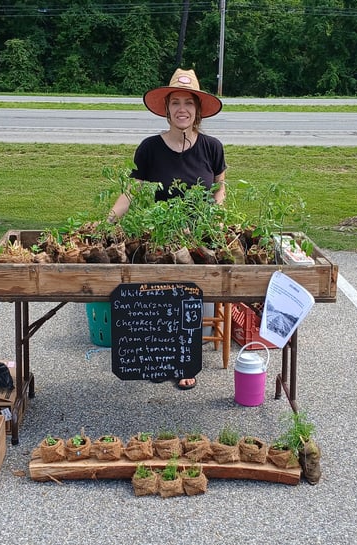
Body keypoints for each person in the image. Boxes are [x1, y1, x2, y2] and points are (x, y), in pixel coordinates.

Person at [109, 68, 228, 391]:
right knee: (159, 292)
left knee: (190, 295)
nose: (182, 110)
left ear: (198, 110)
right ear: (166, 109)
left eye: (188, 103)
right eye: (175, 102)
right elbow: (132, 191)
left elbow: (220, 188)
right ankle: (160, 358)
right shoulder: (150, 148)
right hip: (160, 235)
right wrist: (110, 219)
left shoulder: (211, 147)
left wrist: (216, 215)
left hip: (198, 236)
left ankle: (185, 363)